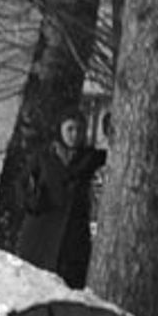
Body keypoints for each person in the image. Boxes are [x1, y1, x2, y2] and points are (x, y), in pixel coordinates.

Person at [11, 112, 107, 291]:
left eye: (79, 130)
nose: (74, 134)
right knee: (34, 288)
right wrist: (32, 201)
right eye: (70, 129)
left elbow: (111, 155)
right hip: (40, 233)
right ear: (60, 130)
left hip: (73, 237)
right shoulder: (44, 156)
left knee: (68, 290)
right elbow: (21, 184)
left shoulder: (89, 157)